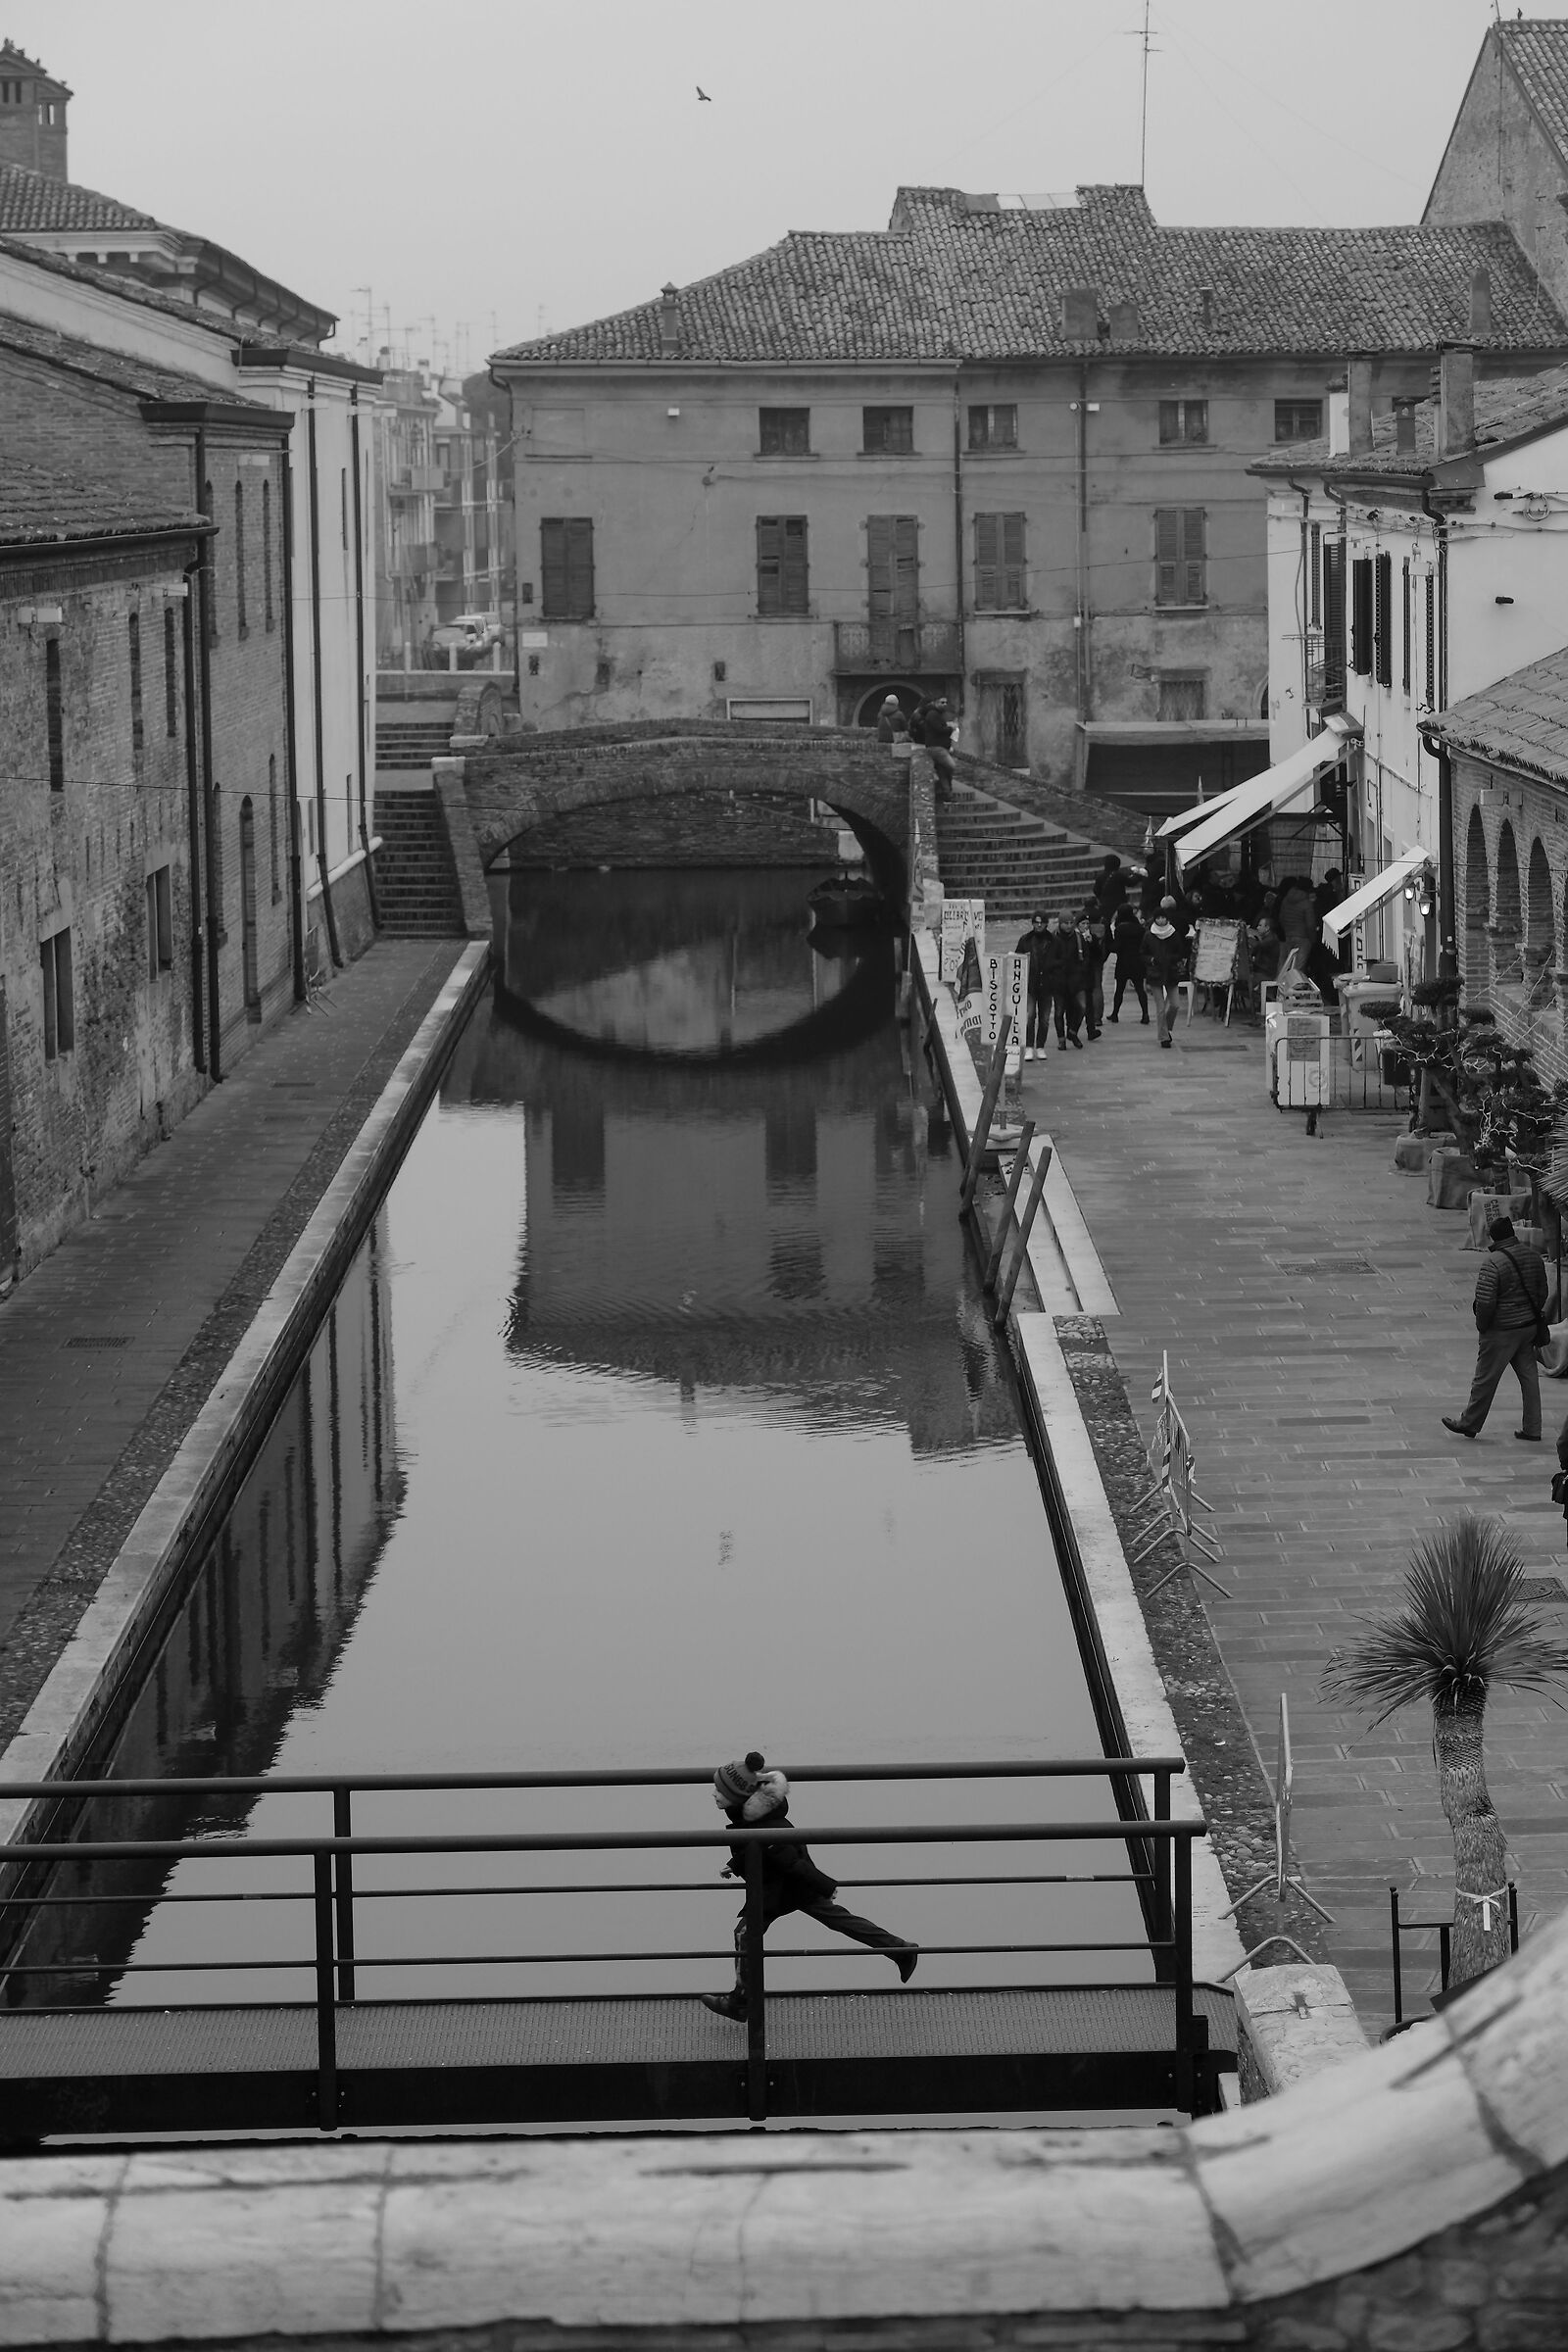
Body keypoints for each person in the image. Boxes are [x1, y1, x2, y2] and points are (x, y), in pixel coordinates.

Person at [701, 1751, 917, 2022]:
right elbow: (757, 1847)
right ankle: (901, 1950)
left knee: (746, 1934)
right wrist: (735, 1864)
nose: (713, 1794)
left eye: (720, 1790)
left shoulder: (769, 1828)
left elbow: (791, 1862)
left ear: (740, 1797)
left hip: (785, 1888)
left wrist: (825, 1885)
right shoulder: (755, 1817)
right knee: (837, 1919)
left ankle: (742, 2001)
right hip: (779, 1886)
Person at [1443, 1215, 1548, 1443]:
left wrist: (1483, 1326)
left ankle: (1470, 1423)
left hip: (1502, 1330)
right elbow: (1542, 1293)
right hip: (1528, 1328)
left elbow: (1485, 1302)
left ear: (1493, 1237)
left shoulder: (1493, 1262)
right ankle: (1533, 1428)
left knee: (1485, 1378)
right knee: (1529, 1378)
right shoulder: (1533, 1257)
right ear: (1513, 1233)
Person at [1145, 896, 1185, 1048]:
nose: (1161, 921)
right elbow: (1143, 953)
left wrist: (1170, 958)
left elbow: (1180, 951)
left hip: (1171, 972)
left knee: (1175, 1004)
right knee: (1160, 1007)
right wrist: (1151, 960)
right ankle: (1163, 1037)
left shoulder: (1173, 934)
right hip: (1155, 974)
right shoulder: (1149, 935)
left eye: (1163, 918)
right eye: (1158, 918)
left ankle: (1166, 1027)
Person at [1040, 911, 1084, 1050]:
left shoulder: (1078, 937)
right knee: (1059, 1011)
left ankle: (1072, 1032)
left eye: (1071, 923)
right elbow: (1048, 961)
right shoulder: (1052, 939)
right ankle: (1061, 1040)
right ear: (1060, 923)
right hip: (1058, 982)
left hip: (1075, 980)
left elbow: (1085, 957)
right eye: (1066, 923)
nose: (1069, 926)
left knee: (1081, 1007)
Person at [1015, 909, 1053, 1058]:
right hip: (1030, 984)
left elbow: (1059, 959)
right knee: (1030, 1016)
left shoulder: (1052, 940)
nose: (1039, 925)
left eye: (1041, 923)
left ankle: (1041, 1046)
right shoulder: (1025, 940)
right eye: (1036, 923)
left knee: (1044, 1018)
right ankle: (1029, 1046)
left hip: (1047, 985)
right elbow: (1017, 958)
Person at [1108, 901, 1149, 1024]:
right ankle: (1145, 1014)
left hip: (1123, 962)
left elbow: (1117, 946)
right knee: (1140, 989)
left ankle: (1115, 1014)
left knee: (1119, 990)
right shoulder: (1139, 928)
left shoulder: (1120, 929)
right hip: (1137, 961)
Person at [910, 697, 956, 800]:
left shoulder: (936, 714)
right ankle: (943, 787)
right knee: (951, 766)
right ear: (935, 703)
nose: (944, 704)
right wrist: (950, 728)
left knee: (942, 771)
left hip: (940, 746)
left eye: (946, 702)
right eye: (942, 702)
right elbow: (938, 729)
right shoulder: (932, 715)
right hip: (936, 747)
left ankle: (948, 794)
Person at [1078, 900, 1108, 1041]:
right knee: (1096, 989)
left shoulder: (1091, 936)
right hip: (1089, 966)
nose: (1085, 926)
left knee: (1092, 992)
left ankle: (1092, 1023)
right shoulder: (1101, 916)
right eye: (1082, 924)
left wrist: (1091, 942)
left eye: (1086, 924)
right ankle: (1096, 1018)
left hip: (1091, 965)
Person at [1097, 855, 1129, 919]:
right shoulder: (1119, 875)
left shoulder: (1100, 877)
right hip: (1119, 904)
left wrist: (1102, 897)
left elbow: (1096, 890)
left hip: (1105, 905)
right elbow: (1130, 882)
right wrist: (1138, 875)